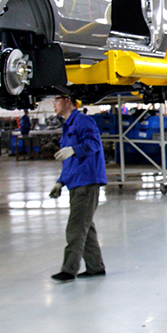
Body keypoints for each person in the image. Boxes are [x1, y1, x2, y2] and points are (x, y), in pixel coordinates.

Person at [48, 92, 108, 281]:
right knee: (85, 227)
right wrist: (60, 181)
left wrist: (74, 149)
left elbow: (94, 144)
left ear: (68, 100)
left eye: (56, 100)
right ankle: (95, 267)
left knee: (75, 227)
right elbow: (69, 161)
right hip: (75, 183)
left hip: (87, 182)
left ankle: (69, 270)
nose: (53, 104)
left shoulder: (82, 121)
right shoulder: (68, 126)